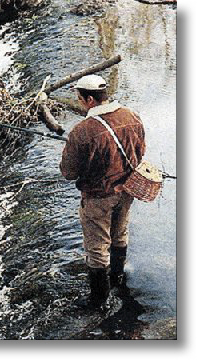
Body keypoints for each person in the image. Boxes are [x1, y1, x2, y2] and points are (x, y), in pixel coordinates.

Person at [60, 74, 146, 309]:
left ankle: (99, 302)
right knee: (120, 235)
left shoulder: (81, 131)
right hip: (128, 189)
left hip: (98, 196)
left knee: (97, 248)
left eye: (79, 98)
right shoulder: (131, 116)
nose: (78, 102)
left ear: (88, 99)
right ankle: (118, 280)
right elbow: (141, 150)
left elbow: (68, 172)